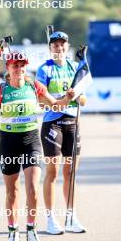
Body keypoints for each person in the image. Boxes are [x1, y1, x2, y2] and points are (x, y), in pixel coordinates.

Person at [0, 51, 75, 241]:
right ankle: (13, 231)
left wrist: (67, 98)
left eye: (22, 65)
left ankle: (31, 229)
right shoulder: (0, 90)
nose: (19, 69)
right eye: (15, 65)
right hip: (8, 143)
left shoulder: (34, 86)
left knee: (33, 189)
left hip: (31, 141)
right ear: (8, 67)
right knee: (12, 192)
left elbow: (56, 105)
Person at [36, 31, 87, 234]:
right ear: (50, 48)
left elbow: (84, 101)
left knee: (70, 172)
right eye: (55, 45)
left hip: (73, 123)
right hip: (53, 125)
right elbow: (42, 101)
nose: (59, 47)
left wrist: (75, 96)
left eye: (63, 44)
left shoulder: (76, 68)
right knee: (53, 172)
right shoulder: (44, 69)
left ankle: (71, 217)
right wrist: (63, 101)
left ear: (68, 47)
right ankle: (50, 220)